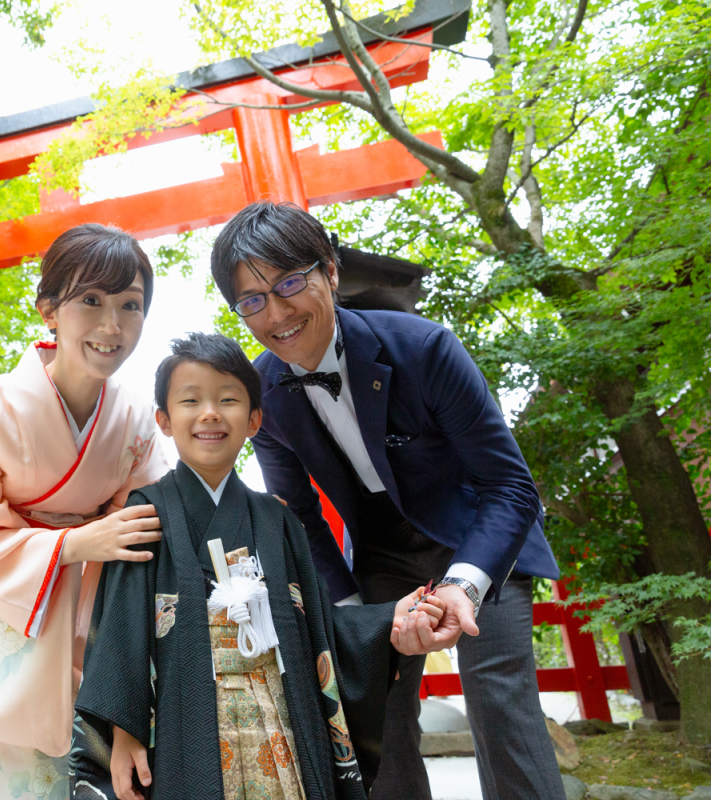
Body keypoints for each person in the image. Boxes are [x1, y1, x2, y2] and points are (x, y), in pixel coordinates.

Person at [208, 202, 564, 800]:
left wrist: (464, 585)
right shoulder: (262, 392)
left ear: (330, 272)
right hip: (379, 554)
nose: (276, 312)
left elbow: (511, 485)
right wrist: (348, 610)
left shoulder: (424, 349)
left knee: (498, 694)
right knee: (374, 708)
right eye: (251, 300)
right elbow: (297, 517)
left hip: (478, 531)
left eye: (290, 283)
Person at [72, 332, 447, 800]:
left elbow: (316, 625)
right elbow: (122, 629)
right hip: (186, 720)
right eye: (191, 401)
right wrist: (124, 732)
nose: (209, 412)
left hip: (281, 718)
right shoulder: (146, 511)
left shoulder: (279, 520)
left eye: (227, 399)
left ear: (253, 420)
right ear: (164, 421)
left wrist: (388, 617)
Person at [0, 224, 173, 800]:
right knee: (12, 774)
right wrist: (76, 543)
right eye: (90, 301)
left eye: (130, 305)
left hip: (88, 603)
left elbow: (147, 525)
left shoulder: (135, 419)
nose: (111, 326)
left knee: (98, 769)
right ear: (49, 308)